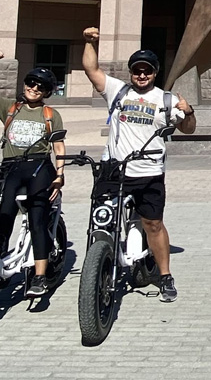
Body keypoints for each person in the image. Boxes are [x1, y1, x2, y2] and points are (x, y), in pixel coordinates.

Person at [81, 27, 196, 303]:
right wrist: (89, 42)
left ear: (155, 73)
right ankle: (96, 268)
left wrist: (188, 111)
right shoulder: (118, 91)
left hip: (149, 172)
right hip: (115, 170)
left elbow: (189, 129)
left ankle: (165, 275)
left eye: (147, 71)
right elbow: (91, 69)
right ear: (131, 72)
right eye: (136, 71)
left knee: (153, 224)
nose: (141, 75)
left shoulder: (166, 100)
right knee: (102, 221)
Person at [0, 50, 65, 299]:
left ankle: (39, 276)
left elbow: (58, 147)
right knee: (3, 218)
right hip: (11, 167)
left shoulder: (50, 115)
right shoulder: (10, 108)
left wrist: (60, 174)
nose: (34, 88)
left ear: (46, 92)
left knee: (37, 220)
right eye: (31, 83)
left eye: (40, 86)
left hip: (39, 168)